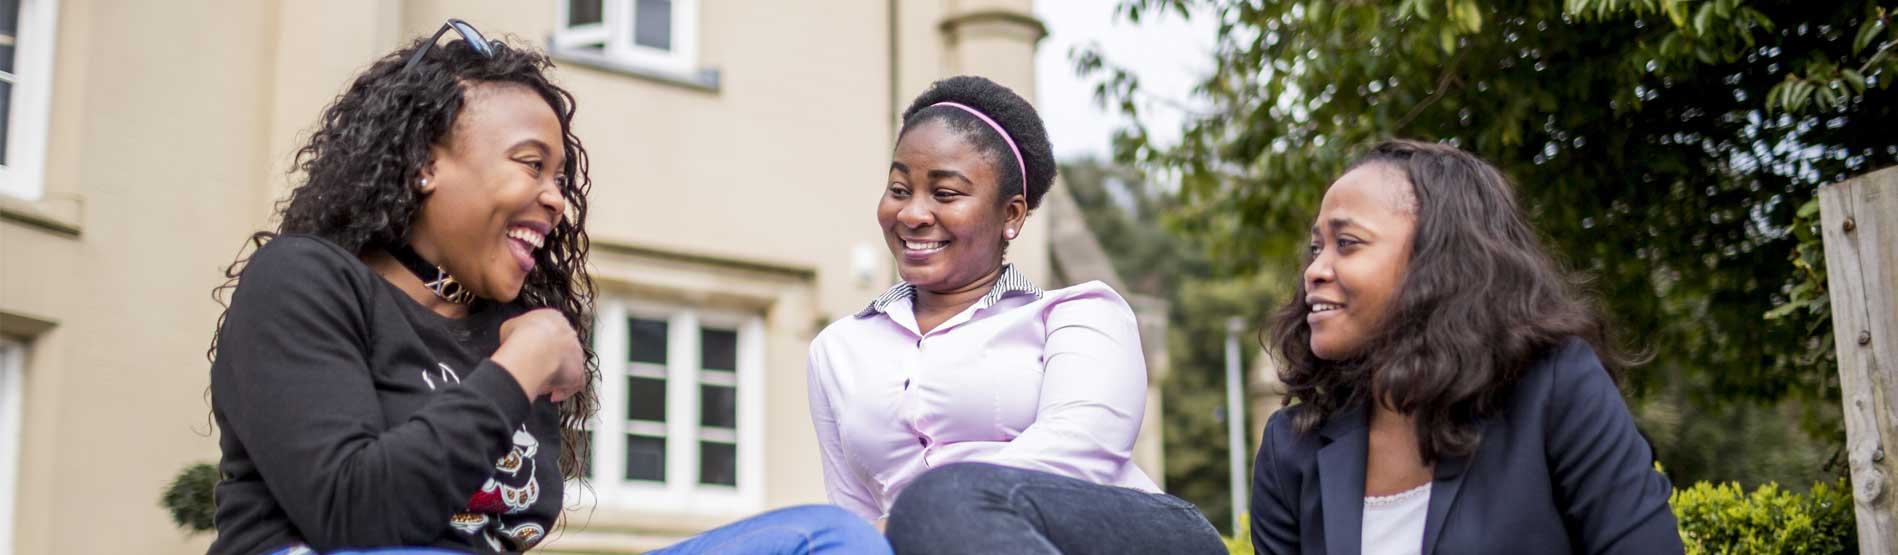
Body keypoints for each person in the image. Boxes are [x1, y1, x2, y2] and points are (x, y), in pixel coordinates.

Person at [208, 20, 888, 555]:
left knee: (830, 541)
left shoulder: (512, 321)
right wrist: (522, 363)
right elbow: (355, 515)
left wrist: (521, 347)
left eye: (561, 178)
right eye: (531, 165)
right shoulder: (306, 282)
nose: (556, 198)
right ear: (422, 164)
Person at [805, 75, 1227, 555]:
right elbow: (852, 517)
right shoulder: (836, 351)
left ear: (1012, 215)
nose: (912, 214)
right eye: (900, 189)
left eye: (945, 194)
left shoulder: (1078, 315)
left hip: (1121, 538)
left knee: (945, 498)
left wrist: (911, 515)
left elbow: (1081, 453)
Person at [1248, 139, 1683, 554]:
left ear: (1435, 258)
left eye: (1346, 243)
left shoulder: (1555, 389)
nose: (1314, 270)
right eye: (1315, 247)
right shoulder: (1291, 447)